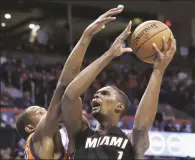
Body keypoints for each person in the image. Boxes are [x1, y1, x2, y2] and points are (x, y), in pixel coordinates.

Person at [15, 6, 124, 159]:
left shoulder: (57, 147)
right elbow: (63, 86)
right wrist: (88, 37)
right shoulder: (38, 138)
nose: (47, 112)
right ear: (30, 128)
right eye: (40, 112)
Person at [61, 19, 177, 159]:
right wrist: (109, 54)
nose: (96, 96)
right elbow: (69, 96)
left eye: (105, 94)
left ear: (120, 106)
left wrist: (158, 71)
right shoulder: (80, 133)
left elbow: (141, 126)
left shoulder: (131, 142)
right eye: (97, 94)